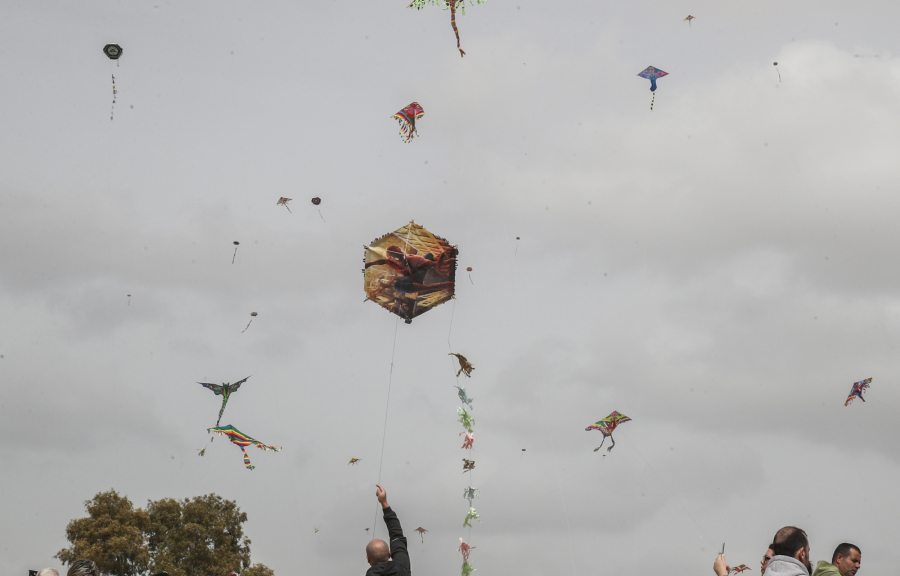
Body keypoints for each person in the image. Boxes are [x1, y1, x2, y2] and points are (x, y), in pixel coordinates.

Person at [365, 485, 410, 576]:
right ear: (389, 554)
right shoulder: (402, 568)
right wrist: (384, 502)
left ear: (368, 558)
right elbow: (397, 536)